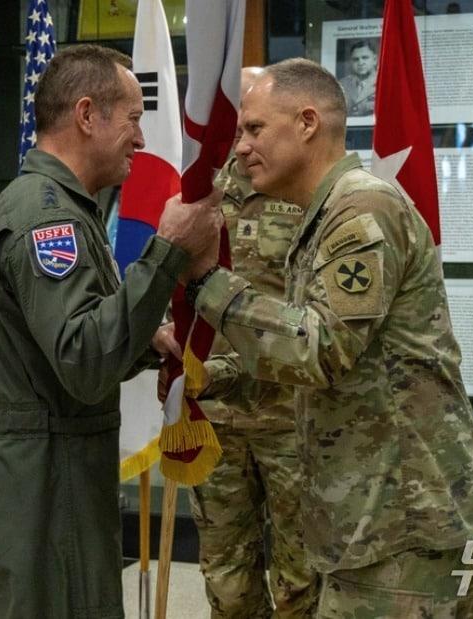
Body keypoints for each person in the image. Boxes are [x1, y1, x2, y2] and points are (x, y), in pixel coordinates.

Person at [181, 58, 473, 617]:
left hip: (400, 521)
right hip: (368, 517)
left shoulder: (360, 211)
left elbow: (319, 350)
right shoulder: (324, 212)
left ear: (306, 123)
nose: (241, 148)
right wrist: (212, 372)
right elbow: (322, 353)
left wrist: (209, 283)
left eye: (254, 130)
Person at [0, 44, 222, 619]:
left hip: (51, 474)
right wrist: (167, 251)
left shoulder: (65, 207)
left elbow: (59, 349)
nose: (143, 140)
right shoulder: (47, 219)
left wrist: (145, 341)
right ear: (86, 115)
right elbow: (82, 360)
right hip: (42, 487)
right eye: (132, 118)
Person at [185, 67, 320, 619]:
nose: (242, 136)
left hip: (292, 417)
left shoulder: (306, 187)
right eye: (236, 119)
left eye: (252, 121)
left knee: (300, 576)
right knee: (226, 576)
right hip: (216, 412)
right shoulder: (199, 189)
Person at [337, 40, 378, 117]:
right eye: (356, 59)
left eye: (365, 58)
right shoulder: (342, 84)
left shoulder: (384, 82)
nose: (360, 63)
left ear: (375, 60)